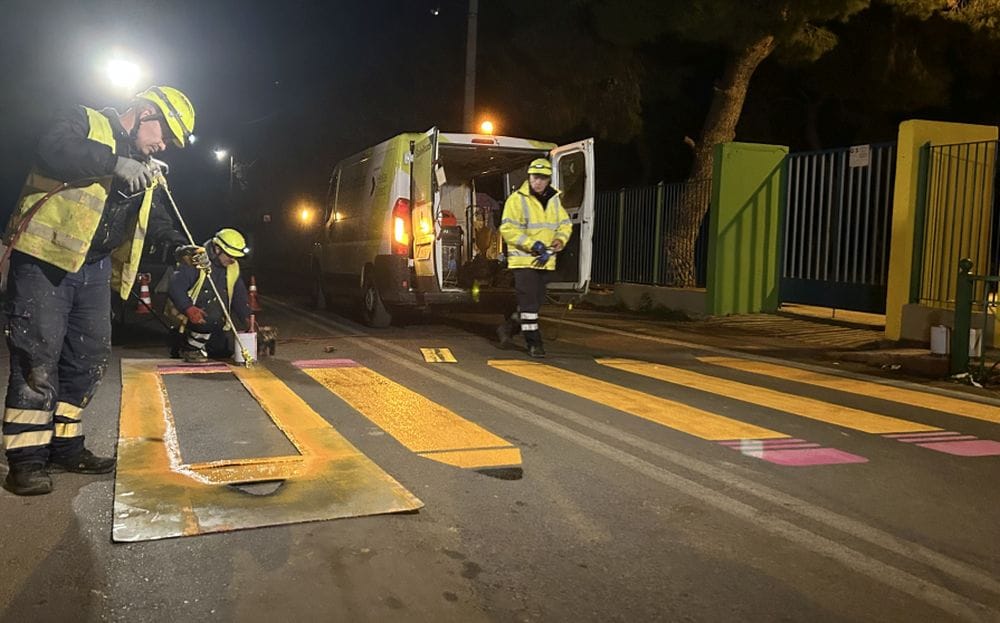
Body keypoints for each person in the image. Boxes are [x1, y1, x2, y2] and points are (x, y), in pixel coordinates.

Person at [1, 86, 204, 496]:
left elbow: (156, 218)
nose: (164, 144)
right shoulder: (82, 119)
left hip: (93, 268)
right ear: (146, 112)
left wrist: (180, 247)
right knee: (38, 358)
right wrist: (115, 162)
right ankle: (25, 460)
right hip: (45, 258)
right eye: (164, 133)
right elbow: (54, 148)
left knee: (89, 358)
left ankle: (66, 446)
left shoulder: (143, 166)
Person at [496, 158, 573, 358]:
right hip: (523, 261)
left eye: (542, 178)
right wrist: (532, 245)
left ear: (548, 180)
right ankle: (534, 343)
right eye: (535, 177)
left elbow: (565, 224)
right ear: (529, 177)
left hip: (546, 261)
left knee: (535, 303)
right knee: (530, 305)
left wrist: (559, 241)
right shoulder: (517, 199)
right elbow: (507, 229)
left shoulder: (554, 200)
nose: (538, 182)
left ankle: (509, 327)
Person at [166, 228, 251, 363]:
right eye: (230, 255)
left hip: (215, 320)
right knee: (211, 311)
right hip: (187, 314)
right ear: (217, 249)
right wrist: (188, 308)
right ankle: (189, 348)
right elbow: (175, 287)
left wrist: (247, 318)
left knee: (222, 351)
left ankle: (202, 343)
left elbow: (238, 295)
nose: (233, 260)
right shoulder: (195, 260)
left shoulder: (233, 267)